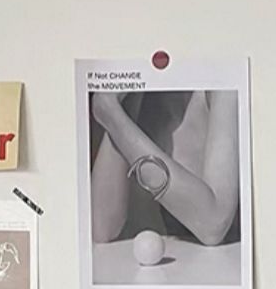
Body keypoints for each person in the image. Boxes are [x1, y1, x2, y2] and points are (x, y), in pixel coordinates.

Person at [90, 89, 240, 247]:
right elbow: (102, 229)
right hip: (157, 268)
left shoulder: (221, 90)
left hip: (222, 266)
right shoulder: (138, 94)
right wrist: (121, 107)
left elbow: (214, 226)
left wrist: (112, 115)